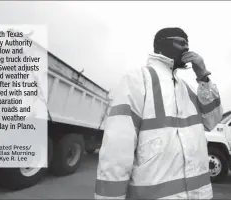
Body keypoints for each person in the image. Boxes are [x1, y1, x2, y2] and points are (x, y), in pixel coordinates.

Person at [95, 27, 223, 199]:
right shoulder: (137, 79)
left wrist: (203, 76)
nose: (186, 48)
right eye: (180, 42)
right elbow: (116, 150)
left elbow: (212, 120)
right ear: (160, 46)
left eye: (187, 44)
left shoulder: (187, 89)